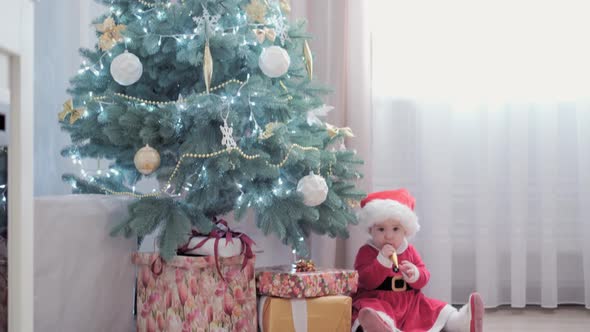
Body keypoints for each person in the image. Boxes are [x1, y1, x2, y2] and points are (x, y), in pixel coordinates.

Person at [351, 189, 484, 332]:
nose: (388, 236)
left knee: (434, 308)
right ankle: (381, 326)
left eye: (395, 229)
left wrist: (415, 274)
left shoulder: (409, 250)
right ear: (371, 230)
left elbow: (424, 275)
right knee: (372, 310)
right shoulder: (366, 251)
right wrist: (382, 261)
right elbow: (366, 280)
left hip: (409, 302)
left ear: (406, 231)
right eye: (381, 229)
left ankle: (459, 323)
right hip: (378, 299)